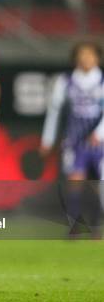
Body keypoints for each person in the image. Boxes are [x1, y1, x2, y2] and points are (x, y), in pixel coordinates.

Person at [40, 41, 104, 238]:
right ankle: (74, 224)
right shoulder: (65, 81)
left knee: (98, 183)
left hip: (99, 142)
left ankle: (97, 224)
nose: (85, 58)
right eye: (82, 54)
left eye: (90, 54)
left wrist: (100, 133)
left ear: (97, 58)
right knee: (74, 181)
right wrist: (47, 139)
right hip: (74, 140)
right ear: (75, 58)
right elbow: (54, 111)